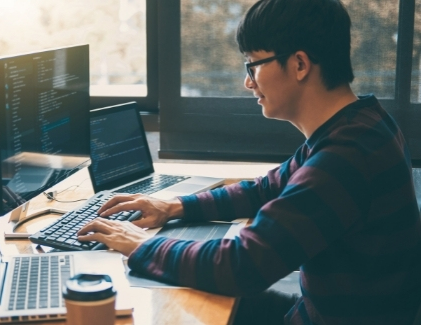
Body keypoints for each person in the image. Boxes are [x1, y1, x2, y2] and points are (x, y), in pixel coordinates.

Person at [77, 0, 421, 324]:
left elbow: (242, 265)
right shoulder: (360, 124)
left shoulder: (345, 156)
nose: (248, 81)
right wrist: (173, 207)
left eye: (253, 65)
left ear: (299, 64)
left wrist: (142, 244)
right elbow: (266, 189)